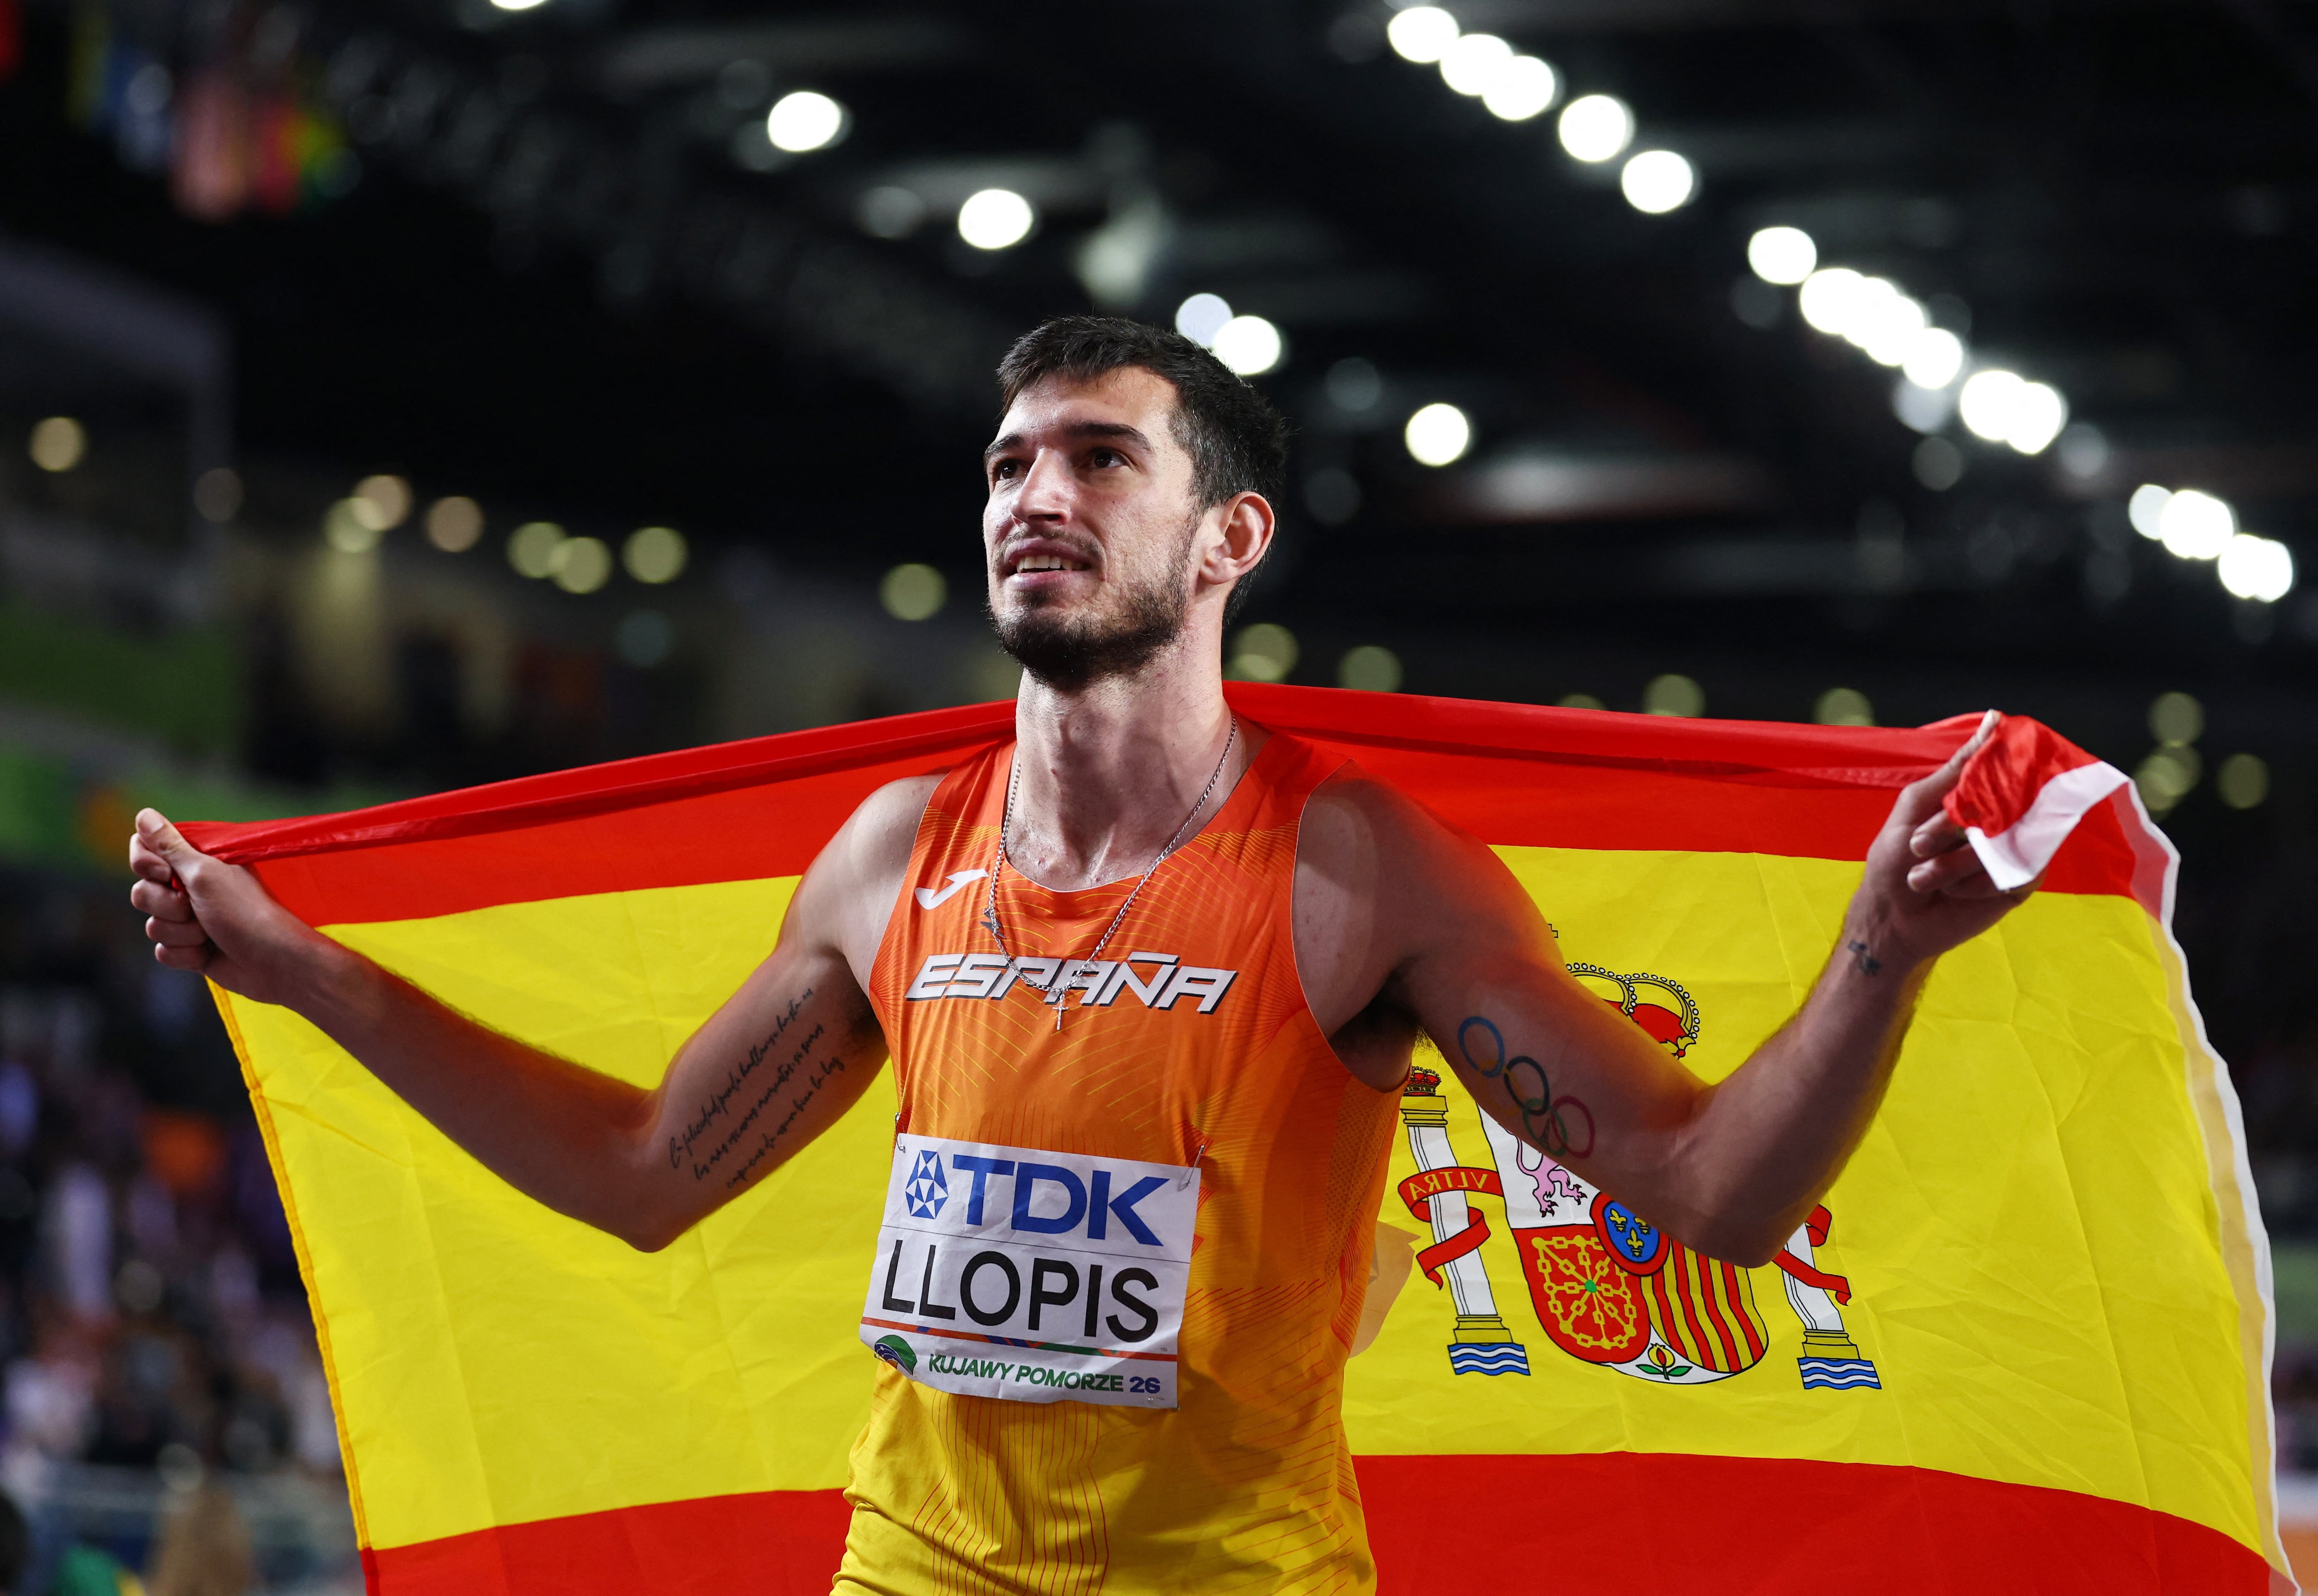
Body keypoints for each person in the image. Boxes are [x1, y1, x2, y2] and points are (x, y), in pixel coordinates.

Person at [125, 317, 2032, 1593]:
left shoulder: (1357, 872)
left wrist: (1882, 945)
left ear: (1226, 538)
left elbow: (1707, 1194)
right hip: (913, 1572)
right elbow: (641, 1178)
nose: (1033, 495)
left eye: (1101, 459)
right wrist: (306, 973)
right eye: (1007, 464)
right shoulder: (895, 858)